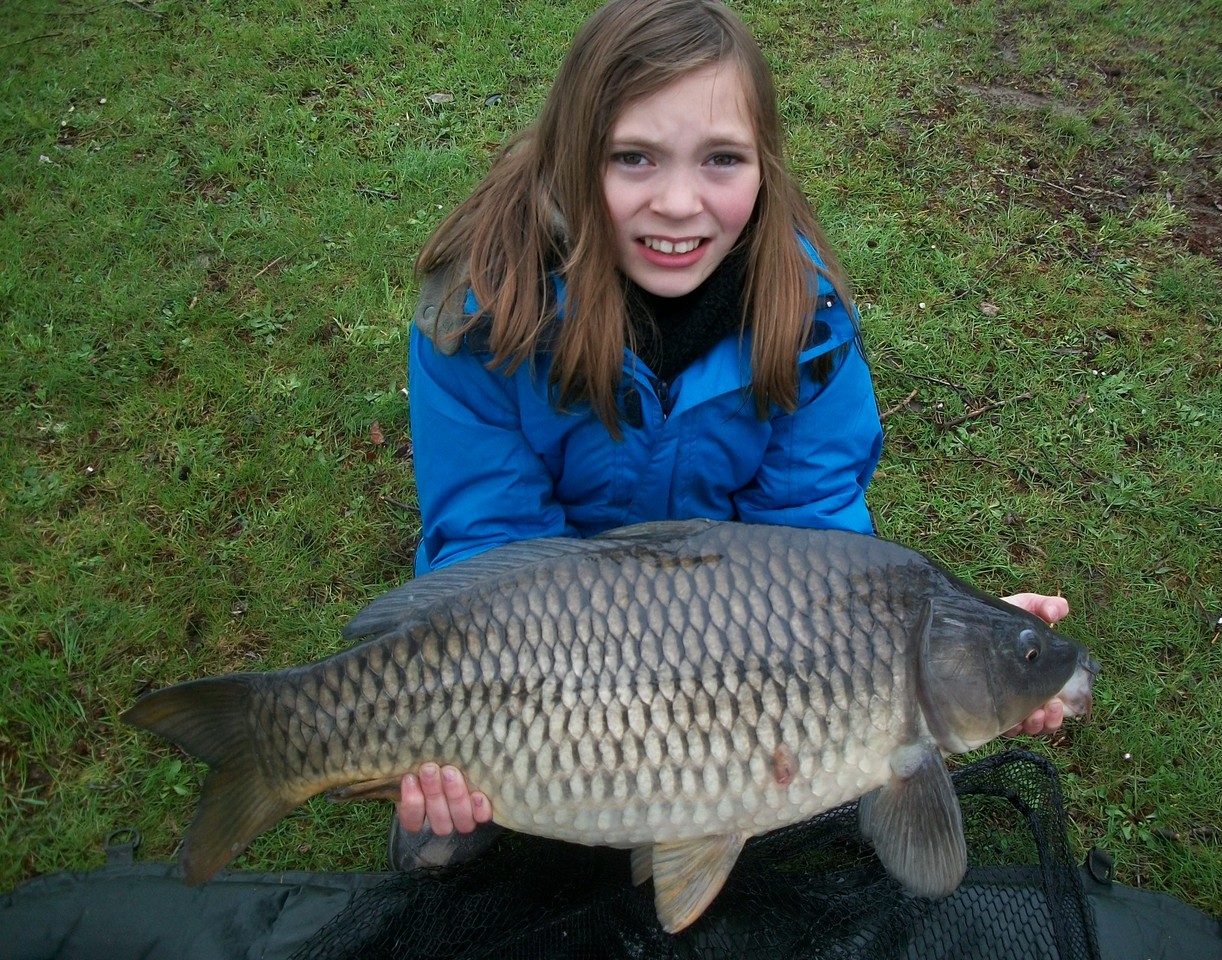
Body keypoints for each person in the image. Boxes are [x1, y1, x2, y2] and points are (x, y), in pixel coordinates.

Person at [392, 0, 1069, 866]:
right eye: (632, 158)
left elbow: (819, 553)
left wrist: (967, 654)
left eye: (722, 160)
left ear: (766, 166)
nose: (679, 203)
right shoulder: (484, 313)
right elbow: (488, 541)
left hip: (730, 644)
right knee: (450, 838)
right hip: (535, 643)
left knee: (801, 779)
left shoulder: (808, 326)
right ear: (571, 156)